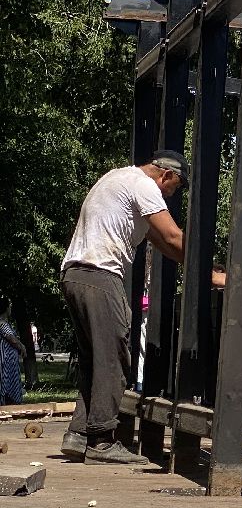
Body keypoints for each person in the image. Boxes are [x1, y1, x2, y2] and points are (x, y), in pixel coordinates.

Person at [60, 151, 187, 464]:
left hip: (75, 273)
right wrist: (212, 260)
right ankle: (102, 441)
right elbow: (173, 234)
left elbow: (166, 245)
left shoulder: (118, 178)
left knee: (95, 360)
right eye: (172, 189)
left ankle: (78, 435)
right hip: (99, 274)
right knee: (115, 357)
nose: (168, 197)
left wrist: (209, 273)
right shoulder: (144, 185)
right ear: (166, 175)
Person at [0, 296, 25, 405]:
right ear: (5, 308)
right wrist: (22, 347)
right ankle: (6, 404)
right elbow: (11, 338)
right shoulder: (2, 323)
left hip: (9, 360)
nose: (11, 308)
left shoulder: (4, 322)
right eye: (9, 306)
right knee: (6, 382)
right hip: (6, 361)